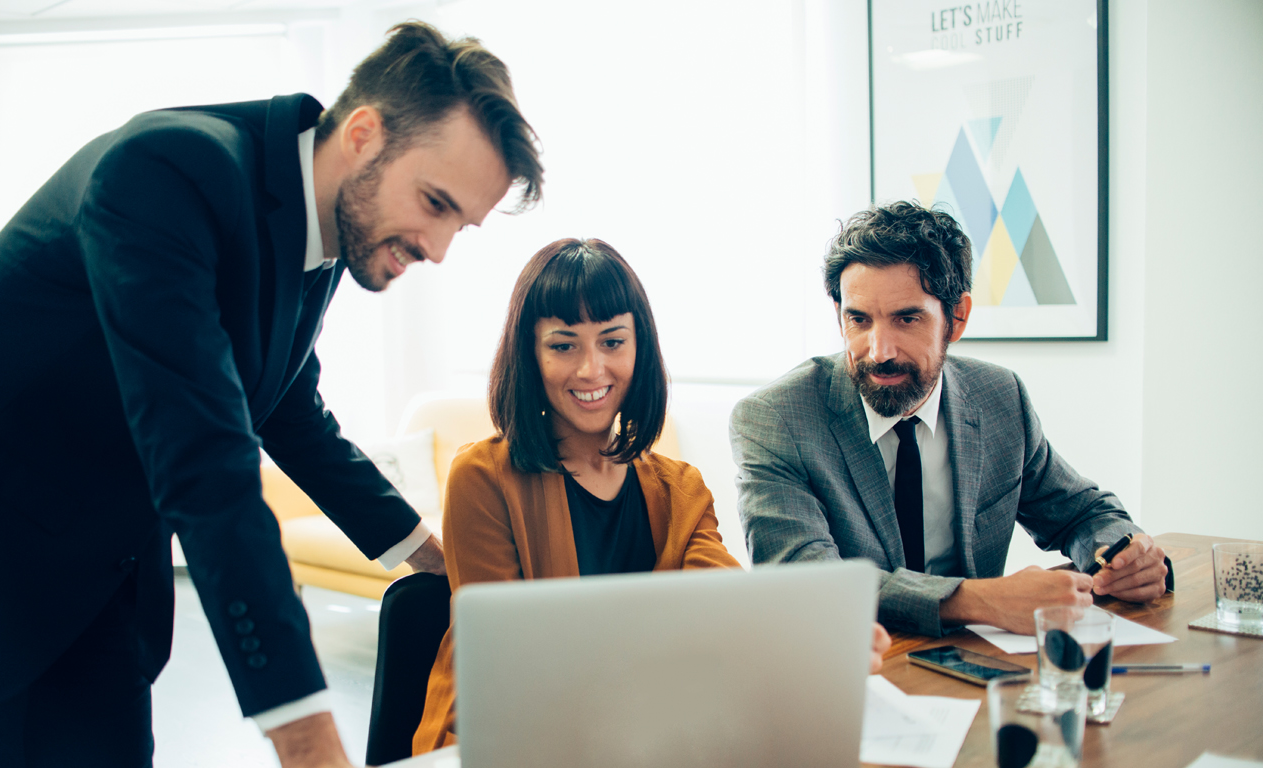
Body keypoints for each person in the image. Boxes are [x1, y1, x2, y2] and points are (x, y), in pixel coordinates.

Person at [0, 22, 542, 768]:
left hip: (91, 573)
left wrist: (429, 553)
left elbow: (289, 411)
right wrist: (307, 740)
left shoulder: (324, 234)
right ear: (364, 135)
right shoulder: (168, 172)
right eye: (434, 204)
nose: (437, 249)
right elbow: (205, 457)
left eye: (459, 224)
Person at [411, 238, 890, 754]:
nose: (591, 369)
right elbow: (508, 664)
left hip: (640, 735)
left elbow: (726, 605)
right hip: (509, 740)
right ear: (529, 355)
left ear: (640, 348)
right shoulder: (482, 479)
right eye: (563, 344)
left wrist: (808, 642)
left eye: (612, 342)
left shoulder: (679, 487)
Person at [731, 201, 1170, 638]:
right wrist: (983, 600)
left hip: (977, 666)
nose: (879, 350)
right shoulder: (776, 420)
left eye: (906, 319)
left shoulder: (999, 397)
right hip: (855, 667)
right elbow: (807, 583)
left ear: (956, 318)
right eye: (858, 320)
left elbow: (1080, 513)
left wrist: (1124, 553)